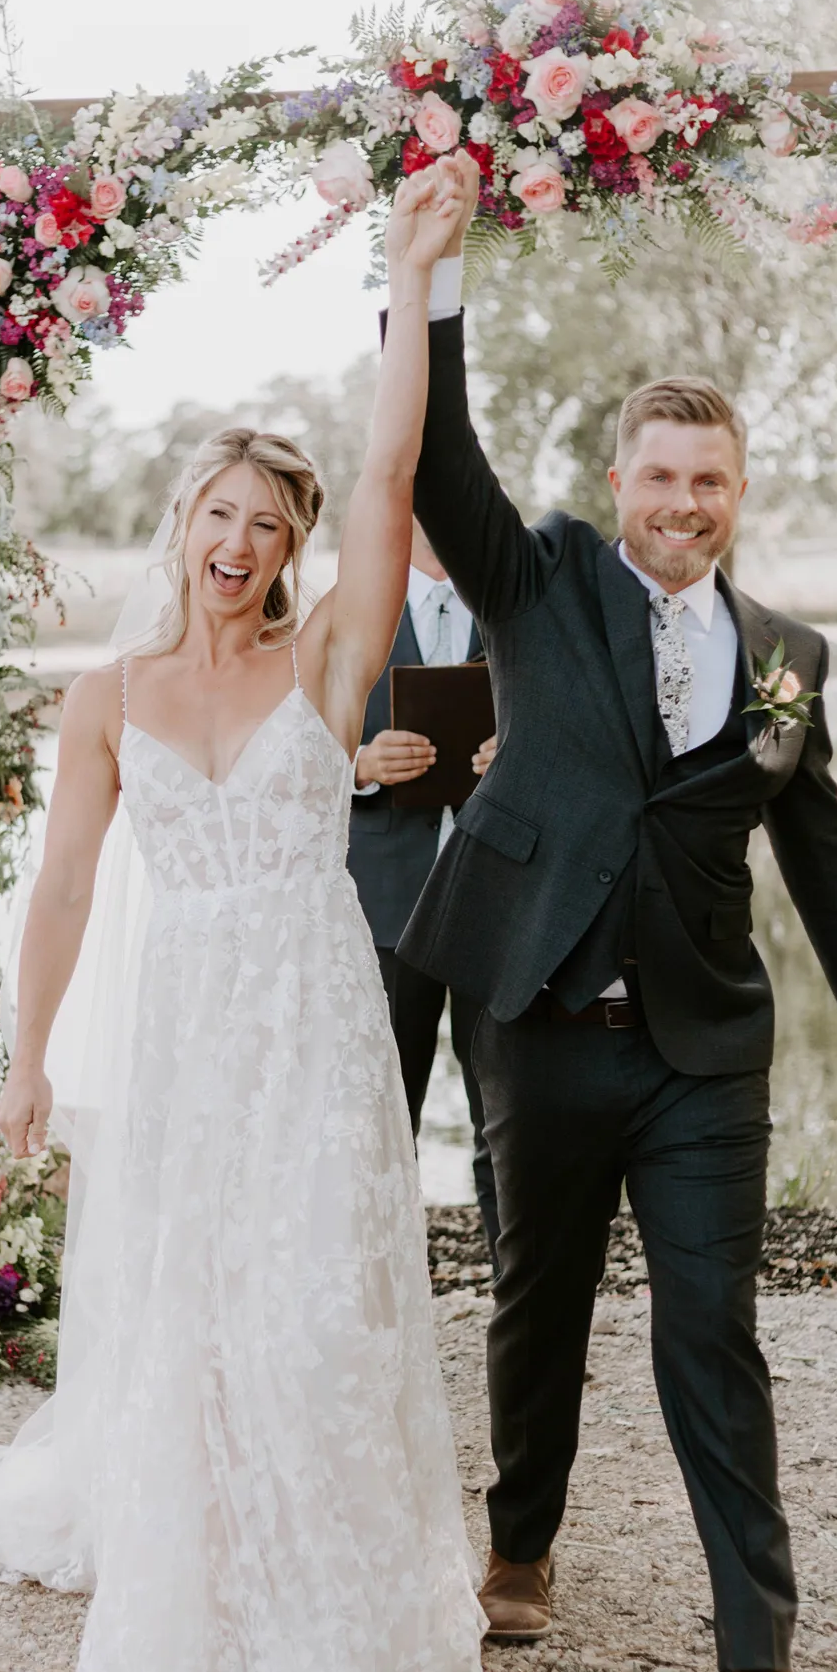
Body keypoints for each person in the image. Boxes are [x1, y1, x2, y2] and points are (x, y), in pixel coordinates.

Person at [0, 171, 486, 1672]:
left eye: (268, 526)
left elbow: (392, 469)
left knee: (309, 1319)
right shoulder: (110, 697)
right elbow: (67, 886)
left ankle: (321, 1659)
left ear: (290, 553)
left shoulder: (326, 659)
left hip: (314, 1018)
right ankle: (219, 1630)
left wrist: (415, 278)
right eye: (222, 514)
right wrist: (27, 1062)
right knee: (199, 1329)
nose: (241, 542)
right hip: (185, 1036)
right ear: (183, 523)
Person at [394, 149, 837, 1672]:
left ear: (739, 491)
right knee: (537, 1301)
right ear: (620, 479)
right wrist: (431, 282)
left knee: (713, 1335)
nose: (682, 503)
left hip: (706, 1048)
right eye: (660, 476)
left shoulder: (788, 658)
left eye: (710, 480)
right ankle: (521, 1543)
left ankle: (758, 1665)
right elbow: (437, 459)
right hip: (542, 1020)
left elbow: (821, 846)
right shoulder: (540, 578)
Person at [347, 521, 498, 1253]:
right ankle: (374, 1291)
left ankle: (520, 1295)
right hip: (382, 908)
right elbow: (289, 738)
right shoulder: (348, 609)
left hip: (496, 899)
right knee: (379, 1117)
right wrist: (359, 765)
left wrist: (519, 755)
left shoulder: (512, 606)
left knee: (506, 1117)